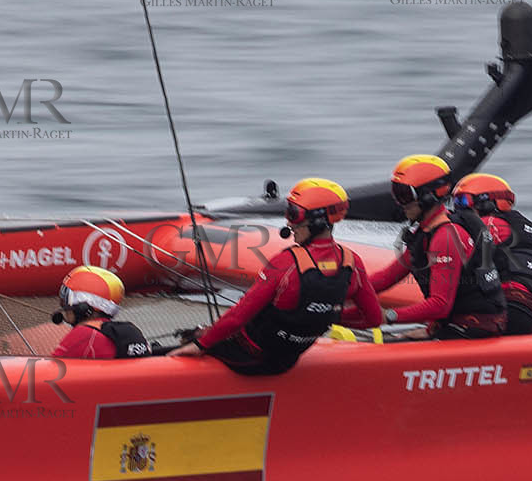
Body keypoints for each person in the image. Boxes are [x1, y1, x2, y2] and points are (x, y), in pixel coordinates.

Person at [170, 177, 378, 374]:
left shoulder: (287, 263)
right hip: (287, 361)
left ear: (317, 220)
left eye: (294, 214)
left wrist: (200, 344)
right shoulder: (352, 262)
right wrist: (325, 318)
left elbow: (239, 315)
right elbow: (373, 318)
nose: (289, 223)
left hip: (249, 358)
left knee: (190, 338)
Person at [365, 155, 506, 339]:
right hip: (450, 322)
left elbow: (440, 304)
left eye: (405, 195)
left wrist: (390, 316)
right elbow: (387, 277)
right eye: (397, 194)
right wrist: (344, 294)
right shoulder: (425, 232)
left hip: (475, 326)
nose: (401, 203)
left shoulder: (446, 237)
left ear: (428, 196)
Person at [452, 173, 532, 335]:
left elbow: (451, 249)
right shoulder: (530, 230)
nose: (459, 209)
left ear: (487, 203)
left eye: (464, 202)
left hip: (511, 310)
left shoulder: (491, 224)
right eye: (456, 203)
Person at [51, 265, 152, 358]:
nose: (64, 306)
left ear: (83, 305)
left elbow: (50, 369)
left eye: (67, 298)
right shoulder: (125, 333)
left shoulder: (84, 334)